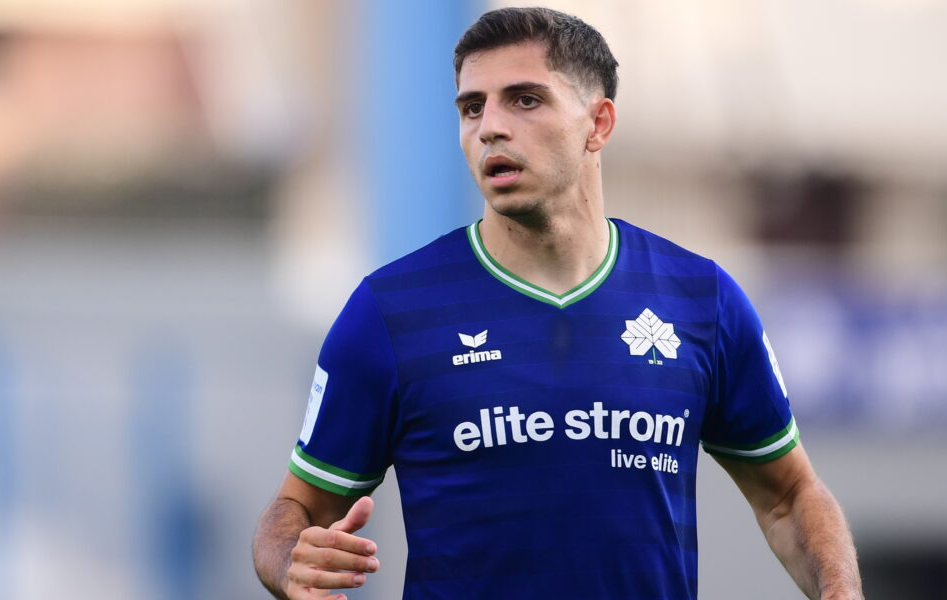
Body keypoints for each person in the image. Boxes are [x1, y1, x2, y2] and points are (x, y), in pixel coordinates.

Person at [253, 7, 863, 600]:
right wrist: (291, 564)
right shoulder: (390, 311)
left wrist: (839, 590)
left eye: (524, 100)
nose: (490, 127)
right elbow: (296, 510)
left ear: (598, 124)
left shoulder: (702, 299)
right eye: (472, 107)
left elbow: (789, 497)